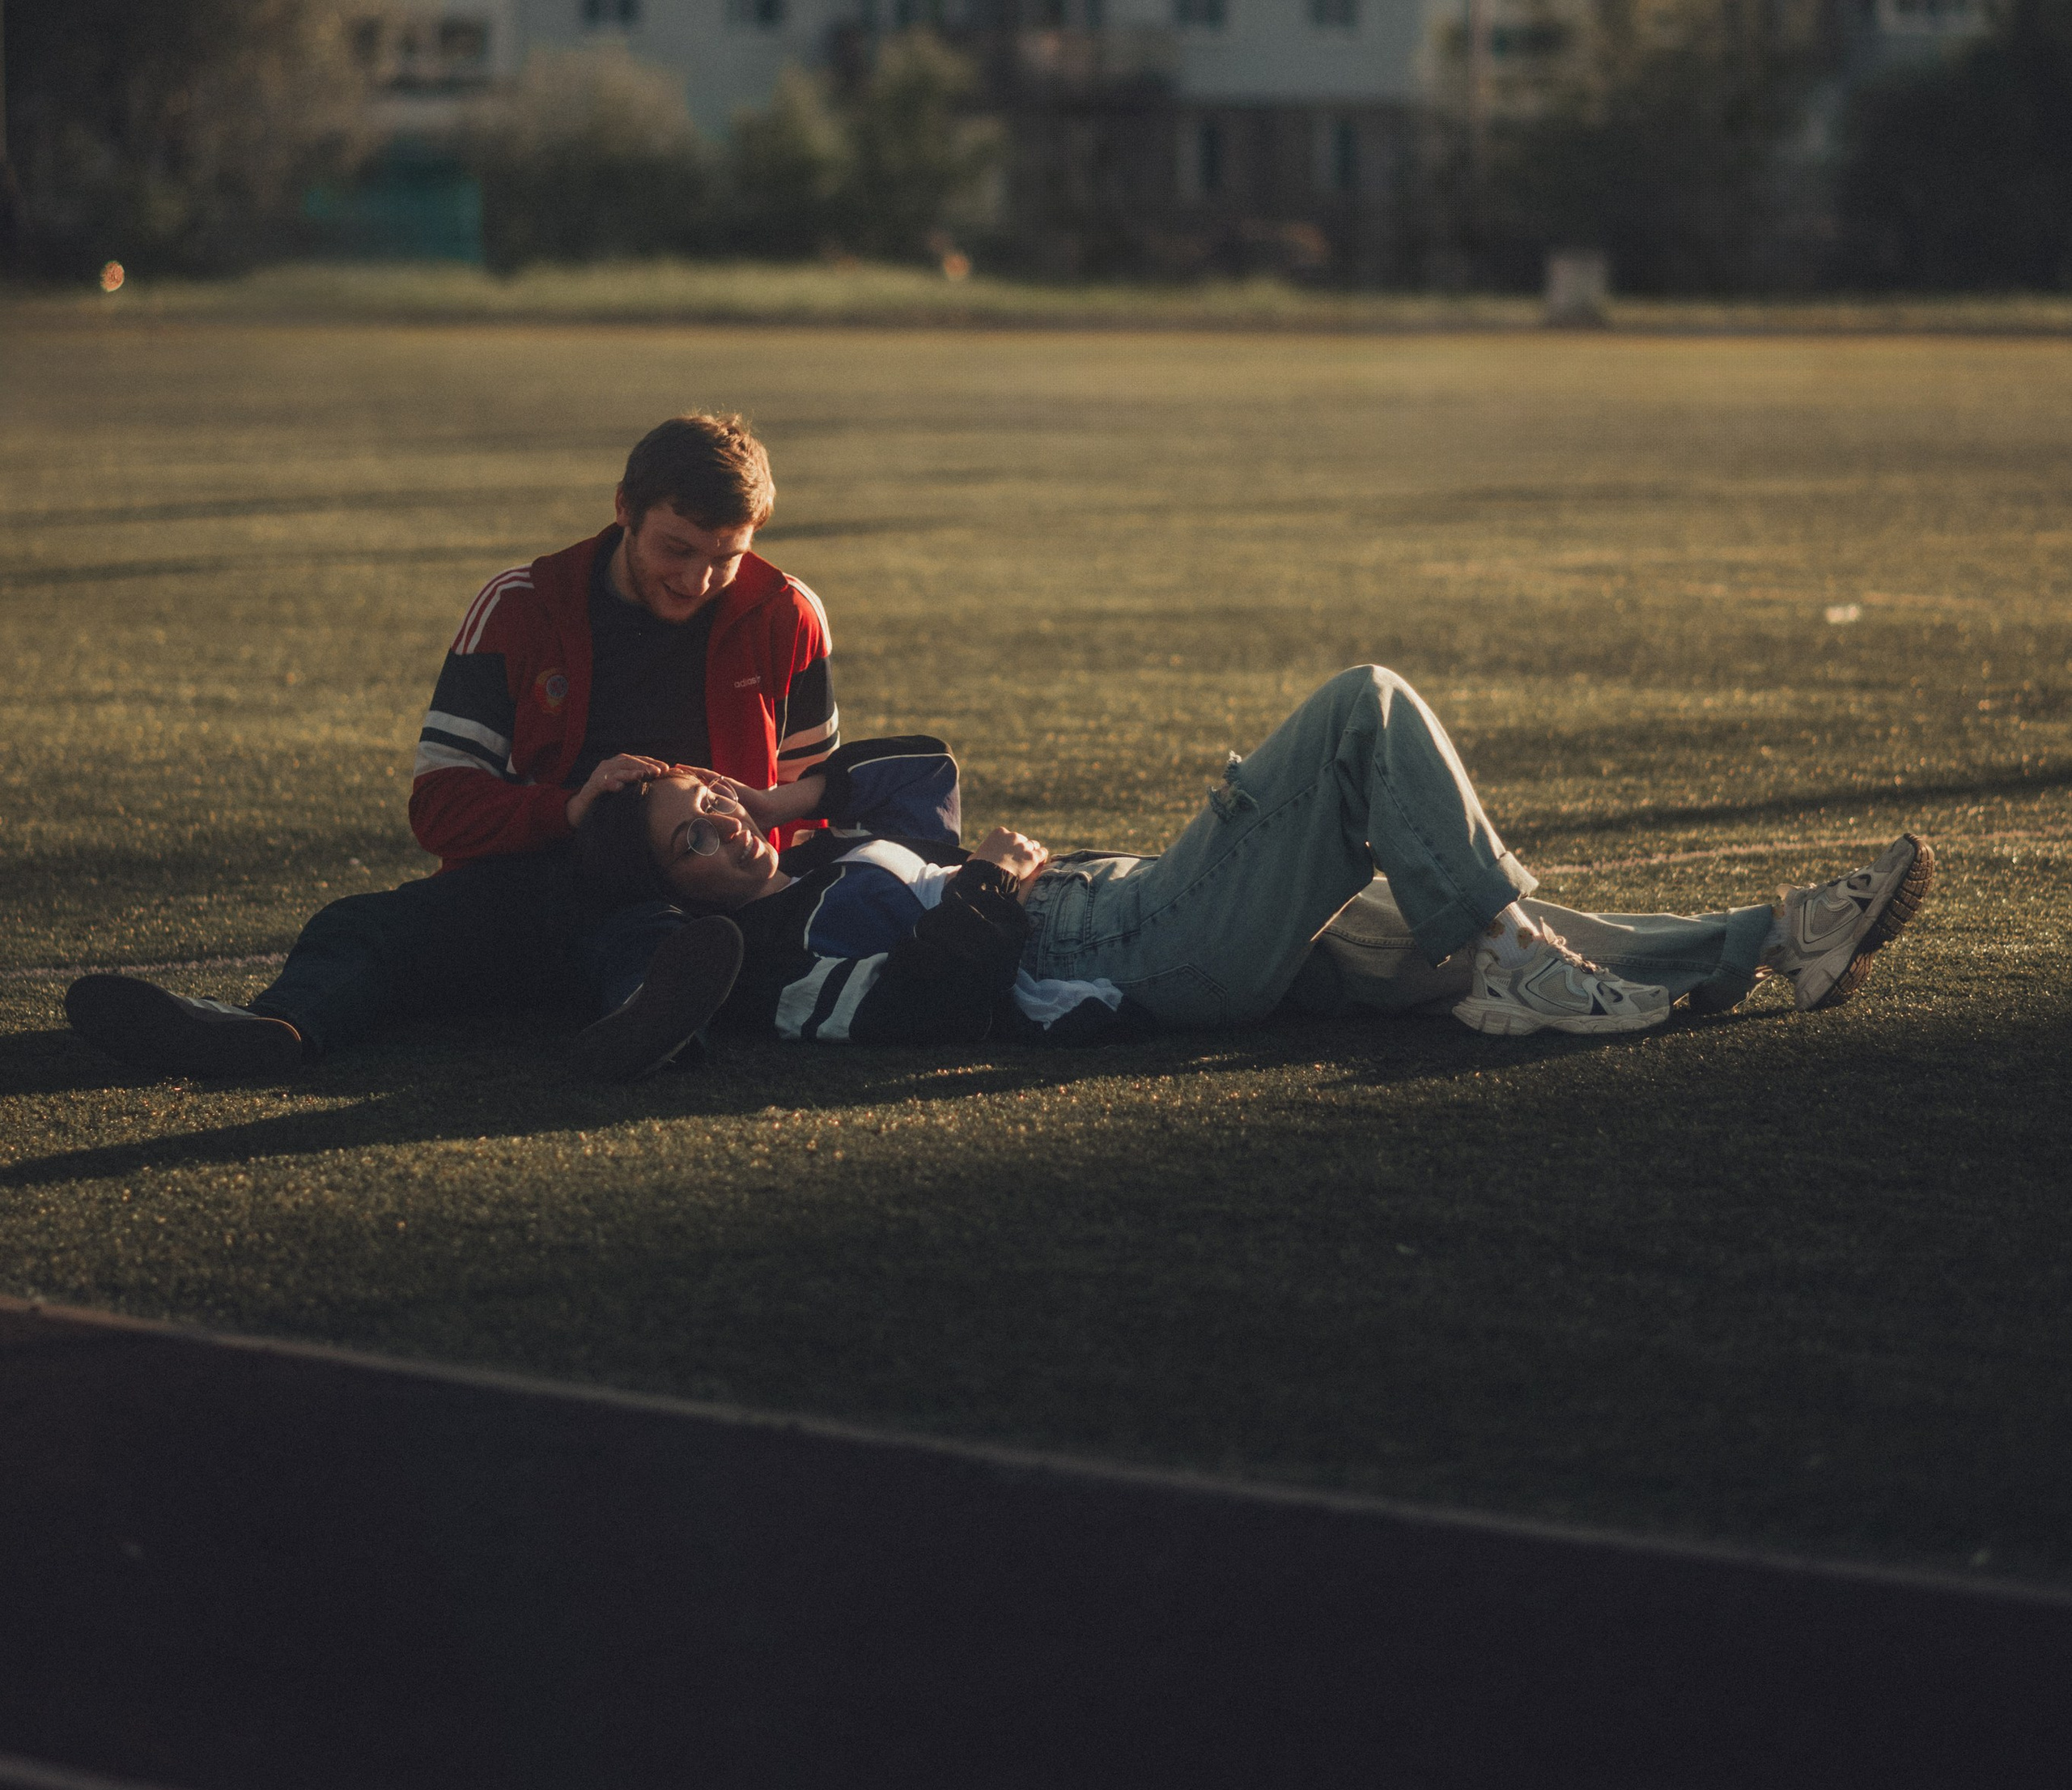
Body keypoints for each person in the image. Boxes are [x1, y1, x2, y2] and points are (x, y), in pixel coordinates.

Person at [572, 663, 1934, 1065]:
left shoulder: (832, 837)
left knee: (1511, 925)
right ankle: (1522, 965)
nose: (727, 826)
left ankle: (1780, 936)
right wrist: (992, 883)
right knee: (1364, 703)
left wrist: (765, 781)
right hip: (1136, 942)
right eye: (695, 835)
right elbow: (913, 1007)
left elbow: (917, 758)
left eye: (713, 799)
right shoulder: (786, 945)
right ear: (672, 892)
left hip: (1141, 909)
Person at [63, 410, 837, 1082]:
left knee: (673, 952)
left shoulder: (785, 615)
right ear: (624, 509)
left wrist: (768, 900)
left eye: (724, 556)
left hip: (684, 896)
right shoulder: (522, 605)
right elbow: (440, 809)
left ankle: (652, 1032)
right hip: (523, 888)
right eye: (677, 548)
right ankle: (266, 1033)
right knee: (362, 926)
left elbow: (813, 807)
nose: (699, 579)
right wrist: (568, 809)